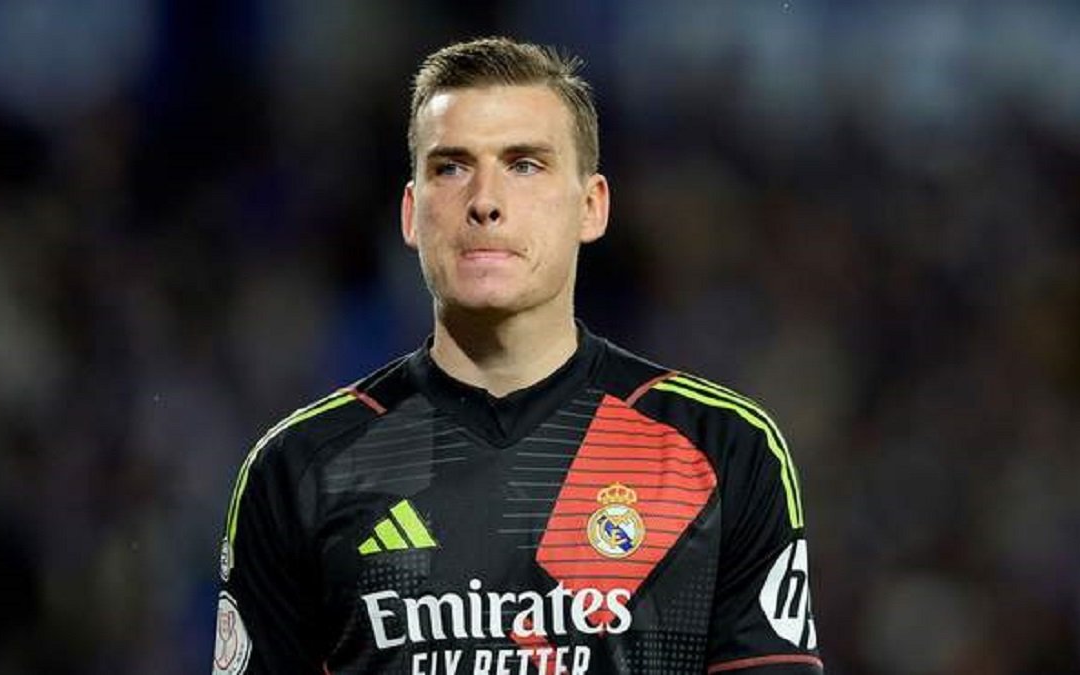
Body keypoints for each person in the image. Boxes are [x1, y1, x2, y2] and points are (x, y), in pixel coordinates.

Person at [213, 36, 823, 675]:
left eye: (525, 164)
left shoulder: (718, 451)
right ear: (412, 214)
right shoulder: (301, 469)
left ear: (591, 207)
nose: (485, 201)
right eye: (451, 167)